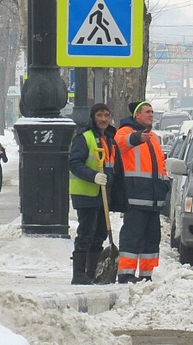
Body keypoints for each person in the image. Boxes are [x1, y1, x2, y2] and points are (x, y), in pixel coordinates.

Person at [68, 103, 125, 285]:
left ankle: (91, 273)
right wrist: (93, 176)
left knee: (99, 234)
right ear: (93, 117)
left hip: (103, 196)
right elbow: (74, 163)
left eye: (106, 115)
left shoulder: (109, 139)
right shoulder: (84, 137)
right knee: (86, 232)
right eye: (100, 115)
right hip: (86, 194)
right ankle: (78, 274)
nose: (103, 119)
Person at [114, 101, 170, 284]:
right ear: (137, 115)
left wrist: (165, 182)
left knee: (151, 241)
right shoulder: (125, 132)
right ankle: (126, 274)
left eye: (152, 112)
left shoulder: (153, 137)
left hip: (153, 199)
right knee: (132, 237)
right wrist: (137, 138)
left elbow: (160, 165)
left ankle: (147, 275)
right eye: (147, 112)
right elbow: (120, 145)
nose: (151, 115)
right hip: (135, 196)